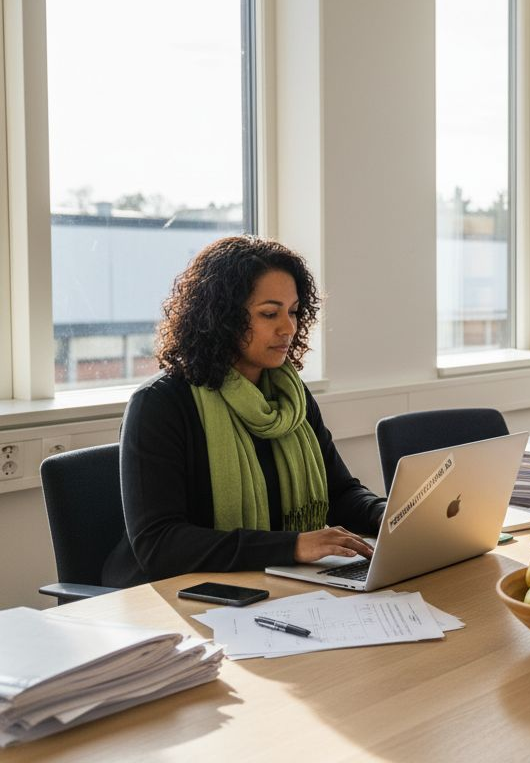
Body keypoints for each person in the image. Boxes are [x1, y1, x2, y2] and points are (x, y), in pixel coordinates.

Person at [104, 236, 386, 586]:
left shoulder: (291, 397)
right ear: (221, 318)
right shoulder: (160, 405)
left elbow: (340, 494)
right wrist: (294, 546)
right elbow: (160, 545)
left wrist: (388, 515)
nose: (289, 327)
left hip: (269, 582)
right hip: (172, 599)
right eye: (269, 313)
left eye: (294, 311)